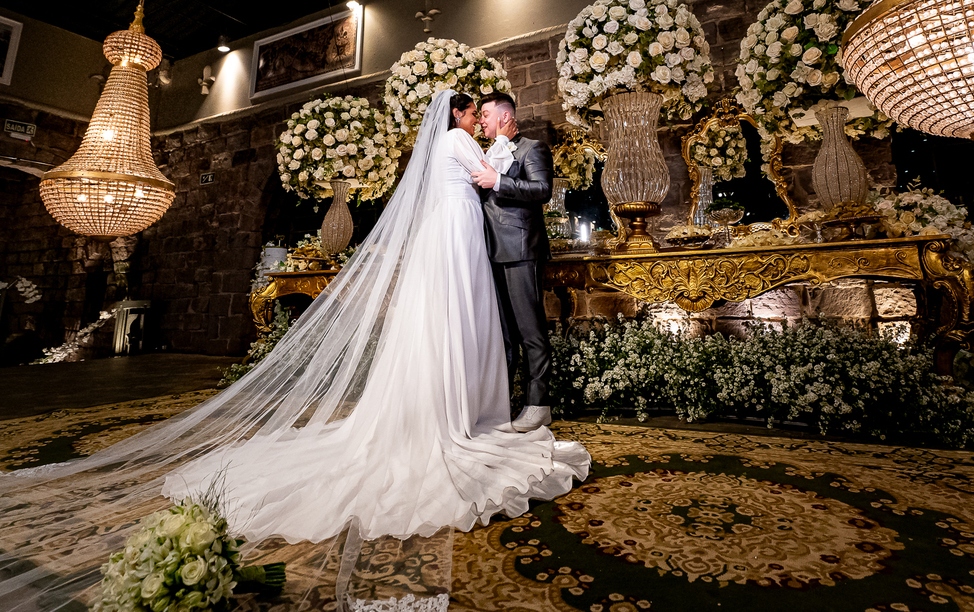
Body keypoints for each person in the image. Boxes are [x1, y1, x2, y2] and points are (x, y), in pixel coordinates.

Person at [0, 89, 590, 610]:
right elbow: (490, 171)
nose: (481, 121)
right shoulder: (459, 142)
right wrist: (497, 159)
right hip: (462, 239)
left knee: (480, 324)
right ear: (460, 115)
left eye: (489, 116)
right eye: (475, 113)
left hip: (476, 241)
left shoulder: (455, 147)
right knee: (470, 322)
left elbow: (509, 178)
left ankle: (473, 401)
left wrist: (503, 160)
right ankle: (469, 408)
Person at [470, 92, 555, 432]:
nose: (482, 121)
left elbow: (542, 190)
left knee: (530, 331)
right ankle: (499, 406)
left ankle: (539, 404)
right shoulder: (487, 152)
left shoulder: (531, 148)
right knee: (503, 335)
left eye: (486, 114)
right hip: (491, 252)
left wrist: (499, 181)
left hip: (521, 249)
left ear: (505, 117)